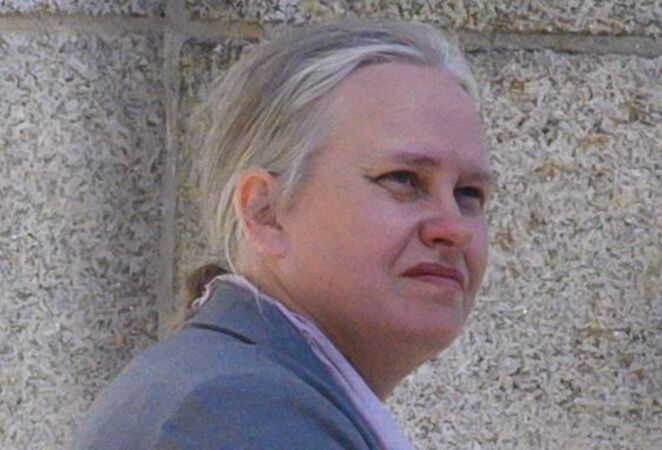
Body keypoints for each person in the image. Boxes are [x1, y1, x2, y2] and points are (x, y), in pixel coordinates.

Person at [74, 19, 492, 449]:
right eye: (403, 179)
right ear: (266, 213)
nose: (453, 229)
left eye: (468, 193)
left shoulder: (243, 392)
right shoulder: (231, 412)